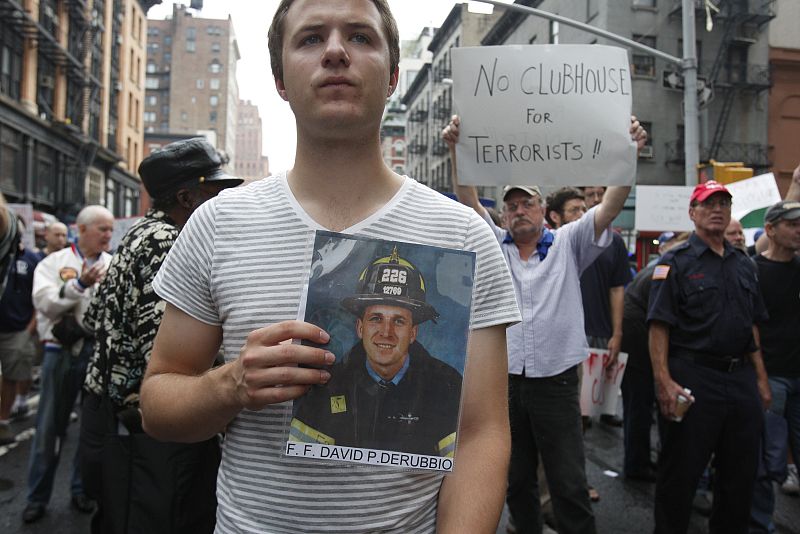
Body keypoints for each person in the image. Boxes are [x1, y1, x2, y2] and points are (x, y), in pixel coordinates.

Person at [139, 1, 521, 532]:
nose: (337, 52)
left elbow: (481, 433)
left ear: (391, 78)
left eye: (361, 37)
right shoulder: (216, 224)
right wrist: (229, 386)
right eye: (311, 38)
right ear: (280, 78)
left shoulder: (464, 235)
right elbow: (157, 407)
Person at [443, 115, 647, 534]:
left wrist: (630, 151)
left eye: (527, 204)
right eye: (512, 206)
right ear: (503, 213)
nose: (519, 211)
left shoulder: (569, 243)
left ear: (543, 211)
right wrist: (456, 147)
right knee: (516, 482)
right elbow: (467, 197)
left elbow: (610, 204)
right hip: (506, 384)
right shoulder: (493, 243)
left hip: (556, 383)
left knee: (568, 481)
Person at [79, 138, 241, 534]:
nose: (221, 200)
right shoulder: (169, 241)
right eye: (212, 191)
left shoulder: (136, 233)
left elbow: (91, 318)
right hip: (150, 435)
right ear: (186, 197)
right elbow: (168, 359)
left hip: (107, 418)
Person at [648, 180, 771, 534]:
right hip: (694, 376)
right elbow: (659, 325)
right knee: (680, 476)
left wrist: (761, 380)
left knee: (739, 477)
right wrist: (664, 382)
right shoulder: (674, 263)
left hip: (740, 378)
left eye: (723, 204)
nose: (717, 210)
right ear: (692, 213)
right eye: (708, 204)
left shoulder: (744, 264)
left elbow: (752, 329)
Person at [290, 248, 462, 455]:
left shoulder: (446, 386)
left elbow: (463, 464)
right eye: (376, 319)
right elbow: (303, 461)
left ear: (413, 332)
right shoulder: (328, 385)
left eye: (398, 321)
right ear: (360, 328)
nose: (386, 333)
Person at [23, 205, 113, 523]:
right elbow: (44, 303)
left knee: (89, 431)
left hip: (97, 353)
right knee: (49, 429)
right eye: (102, 229)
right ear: (82, 229)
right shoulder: (54, 262)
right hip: (59, 353)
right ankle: (37, 497)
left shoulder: (113, 265)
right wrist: (80, 286)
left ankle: (80, 490)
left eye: (110, 229)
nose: (108, 235)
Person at [620, 232, 689, 482]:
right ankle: (637, 465)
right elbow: (660, 320)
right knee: (639, 406)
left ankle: (638, 461)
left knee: (637, 406)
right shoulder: (665, 272)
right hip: (638, 345)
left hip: (635, 341)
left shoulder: (659, 268)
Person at [749, 199, 800, 533]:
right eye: (792, 225)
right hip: (772, 377)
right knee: (767, 459)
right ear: (770, 229)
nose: (798, 231)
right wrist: (761, 377)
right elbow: (750, 326)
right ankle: (759, 524)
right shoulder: (752, 269)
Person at [579, 185, 633, 430]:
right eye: (590, 194)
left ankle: (606, 412)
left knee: (604, 388)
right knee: (580, 405)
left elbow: (617, 288)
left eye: (601, 193)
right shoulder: (569, 238)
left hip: (602, 326)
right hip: (575, 327)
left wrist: (617, 332)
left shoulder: (616, 242)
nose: (596, 199)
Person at [0, 217, 40, 444]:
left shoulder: (32, 260)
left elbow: (38, 297)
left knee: (11, 376)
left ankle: (3, 421)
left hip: (17, 329)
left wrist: (29, 330)